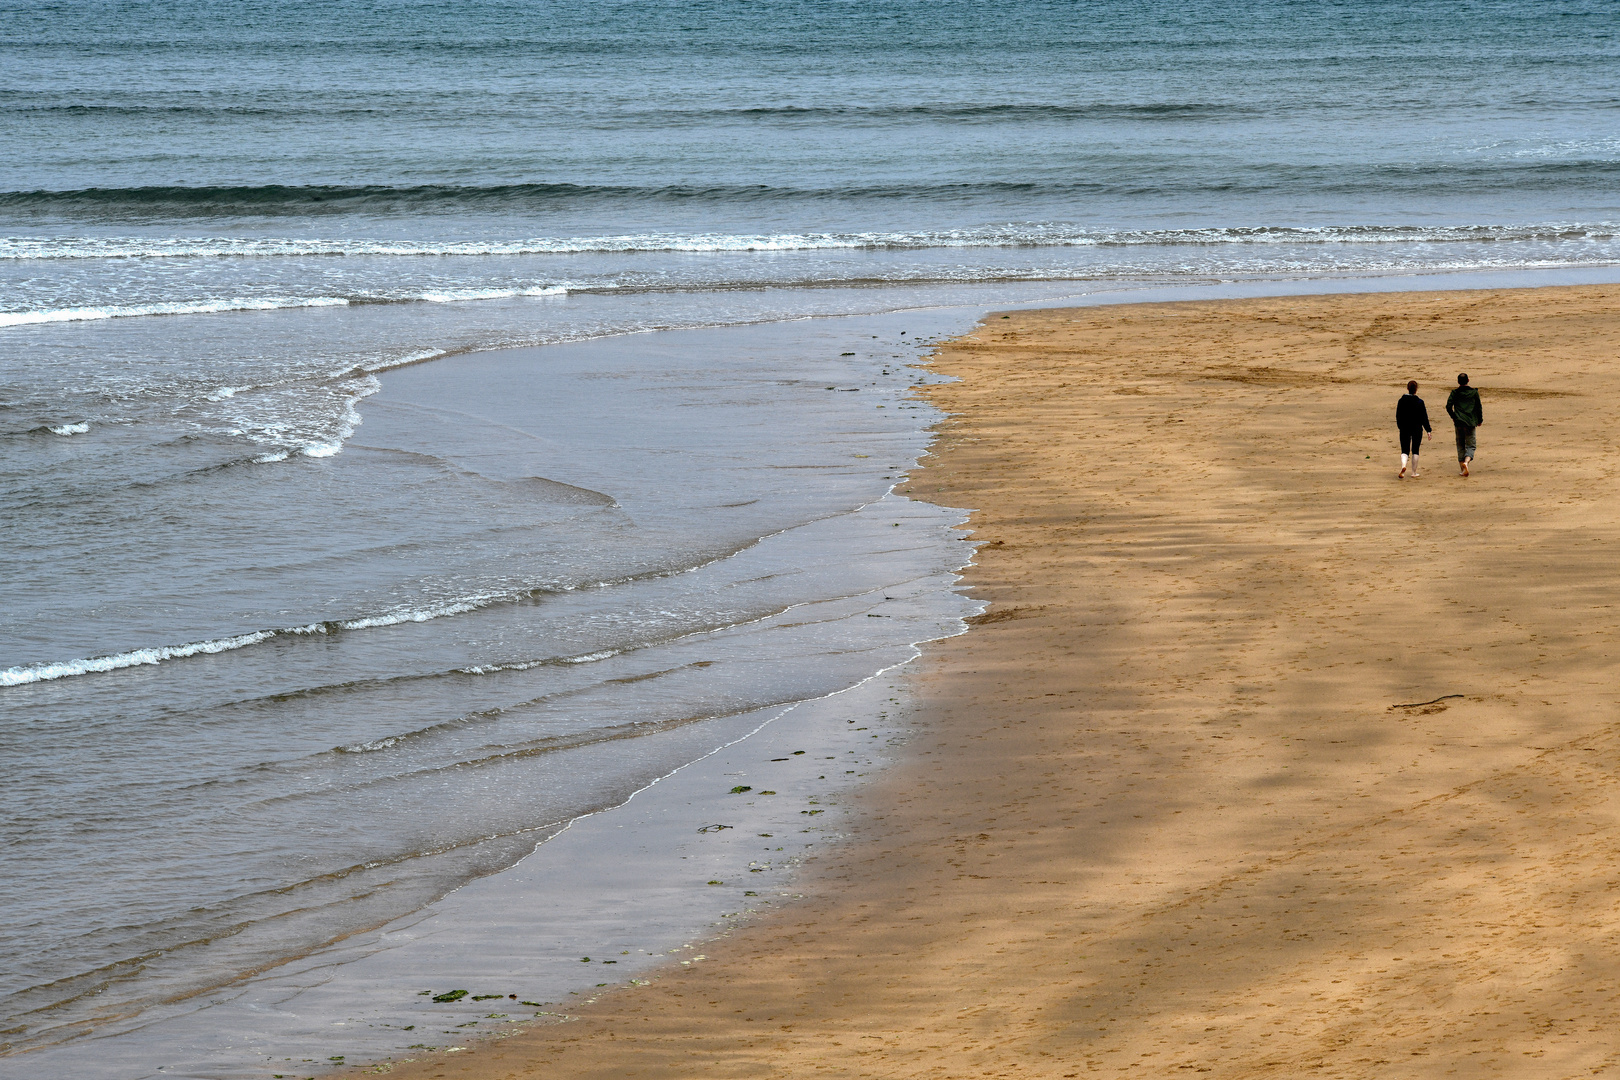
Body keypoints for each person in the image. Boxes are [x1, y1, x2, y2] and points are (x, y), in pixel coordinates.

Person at [1446, 373, 1484, 477]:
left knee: (1460, 444)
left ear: (1458, 382)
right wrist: (1479, 420)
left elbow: (1448, 406)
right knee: (1471, 445)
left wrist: (1454, 417)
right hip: (1470, 421)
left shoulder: (1455, 393)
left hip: (1459, 422)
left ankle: (1463, 469)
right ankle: (1466, 462)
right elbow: (1478, 407)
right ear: (1468, 380)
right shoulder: (1473, 393)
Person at [1395, 380, 1431, 478]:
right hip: (1417, 428)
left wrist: (1400, 426)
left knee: (1404, 450)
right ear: (1416, 390)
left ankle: (1403, 466)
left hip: (1404, 427)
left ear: (1407, 388)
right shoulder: (1419, 402)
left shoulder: (1401, 400)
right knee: (1415, 450)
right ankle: (1414, 472)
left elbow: (1398, 415)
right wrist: (1428, 430)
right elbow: (1424, 417)